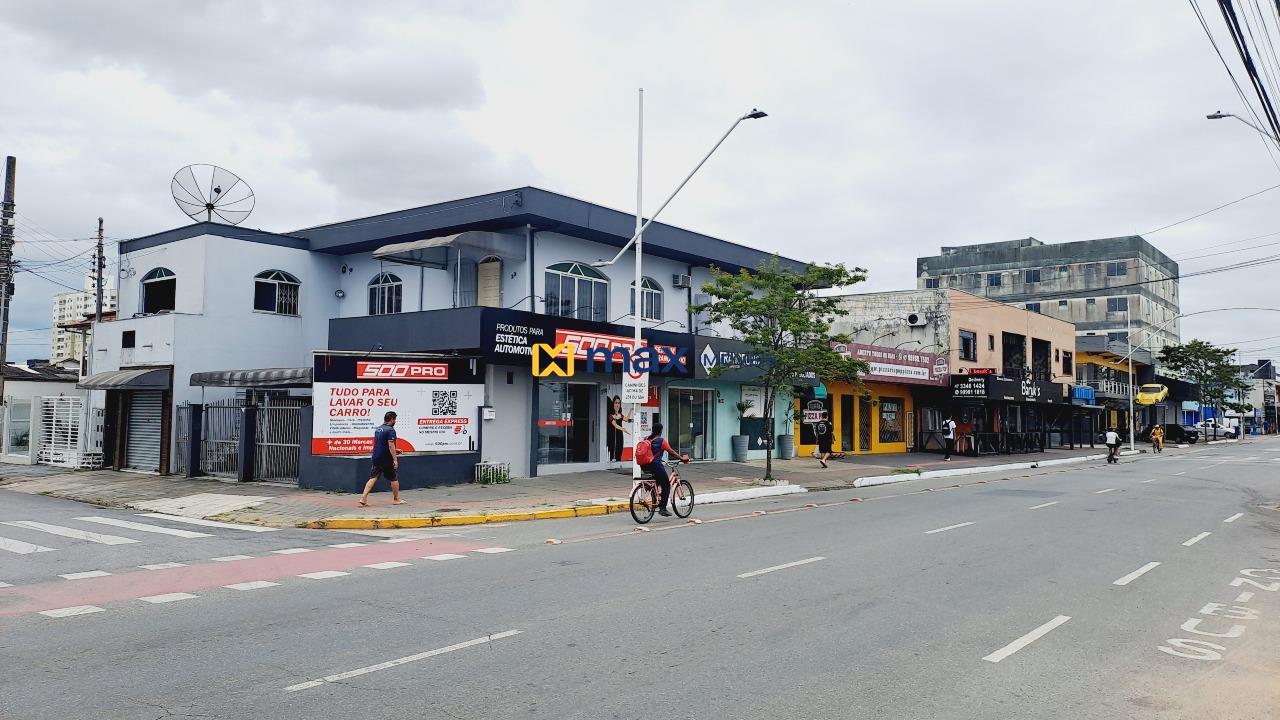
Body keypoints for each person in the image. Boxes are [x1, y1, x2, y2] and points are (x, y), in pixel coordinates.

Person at [640, 423, 689, 516]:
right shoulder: (661, 441)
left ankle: (654, 494)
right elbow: (671, 451)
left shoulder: (646, 439)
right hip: (655, 465)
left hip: (645, 465)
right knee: (666, 485)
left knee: (659, 481)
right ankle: (663, 508)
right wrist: (681, 458)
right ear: (661, 431)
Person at [359, 411, 406, 507]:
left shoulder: (378, 429)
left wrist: (395, 450)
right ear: (392, 419)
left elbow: (381, 444)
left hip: (376, 457)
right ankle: (396, 499)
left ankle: (363, 498)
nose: (395, 421)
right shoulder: (390, 430)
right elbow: (390, 445)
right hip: (386, 459)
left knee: (373, 477)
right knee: (394, 478)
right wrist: (395, 459)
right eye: (395, 419)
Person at [606, 396, 631, 463]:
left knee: (619, 448)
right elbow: (615, 425)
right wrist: (623, 429)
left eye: (619, 403)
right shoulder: (611, 415)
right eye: (616, 403)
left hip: (619, 435)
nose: (617, 405)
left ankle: (618, 462)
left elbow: (626, 419)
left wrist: (631, 410)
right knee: (612, 448)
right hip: (612, 434)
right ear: (613, 404)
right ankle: (611, 462)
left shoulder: (620, 415)